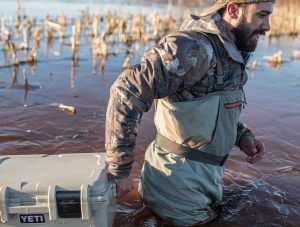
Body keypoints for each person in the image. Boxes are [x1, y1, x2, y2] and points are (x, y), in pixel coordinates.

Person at [105, 0, 275, 226]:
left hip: (205, 178)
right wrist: (121, 168)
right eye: (262, 15)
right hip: (176, 184)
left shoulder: (234, 48)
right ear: (233, 10)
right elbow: (126, 91)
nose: (267, 26)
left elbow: (209, 109)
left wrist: (242, 135)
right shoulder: (191, 47)